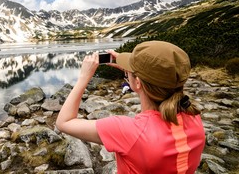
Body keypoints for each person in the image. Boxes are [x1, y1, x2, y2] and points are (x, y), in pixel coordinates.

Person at [56, 40, 205, 173]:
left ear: (138, 82)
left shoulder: (128, 131)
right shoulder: (194, 117)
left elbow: (64, 122)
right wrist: (133, 72)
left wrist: (83, 78)